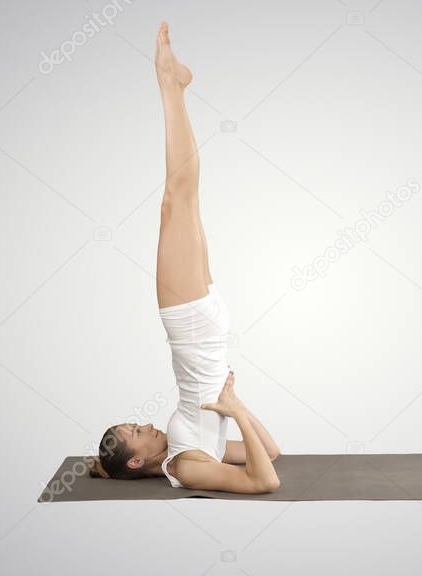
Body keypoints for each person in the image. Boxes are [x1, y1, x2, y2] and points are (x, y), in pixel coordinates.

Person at [90, 22, 280, 494]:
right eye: (136, 432)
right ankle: (171, 84)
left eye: (135, 424)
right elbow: (266, 478)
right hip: (192, 326)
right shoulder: (186, 467)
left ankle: (174, 84)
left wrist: (235, 406)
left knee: (182, 200)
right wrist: (234, 409)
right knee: (176, 198)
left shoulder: (190, 451)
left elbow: (268, 450)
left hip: (204, 329)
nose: (145, 425)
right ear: (137, 461)